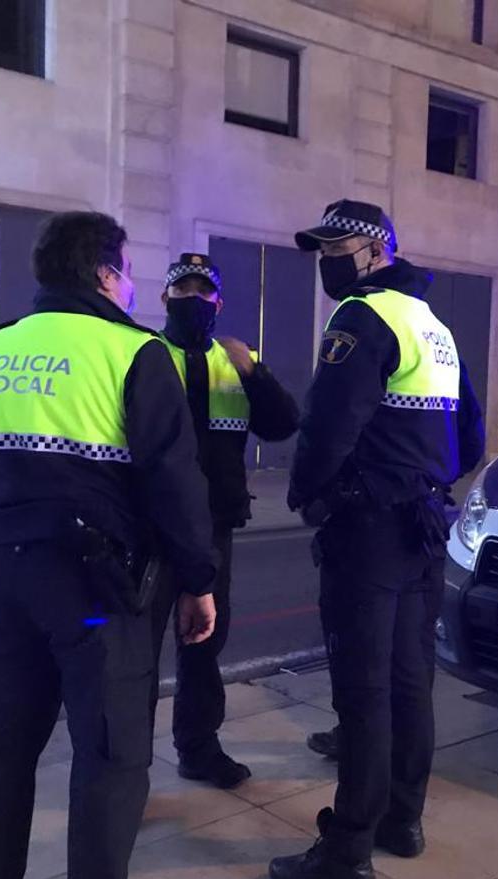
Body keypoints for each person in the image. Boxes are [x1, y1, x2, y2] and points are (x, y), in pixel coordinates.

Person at [0, 212, 218, 879]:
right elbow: (175, 484)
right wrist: (198, 581)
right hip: (99, 590)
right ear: (104, 273)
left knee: (1, 746)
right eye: (126, 271)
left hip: (7, 583)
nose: (130, 285)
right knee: (111, 756)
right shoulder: (133, 353)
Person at [270, 200, 485, 879]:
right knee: (409, 681)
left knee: (363, 692)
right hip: (424, 527)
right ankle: (403, 821)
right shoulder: (435, 326)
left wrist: (307, 494)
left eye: (336, 246)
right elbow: (470, 439)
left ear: (375, 249)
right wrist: (424, 480)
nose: (326, 259)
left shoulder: (362, 317)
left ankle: (347, 855)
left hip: (368, 533)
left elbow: (327, 426)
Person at [152, 252, 299, 789]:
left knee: (204, 643)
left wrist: (253, 372)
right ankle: (125, 767)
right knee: (137, 654)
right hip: (150, 528)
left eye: (204, 291)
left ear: (218, 302)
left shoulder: (235, 360)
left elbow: (284, 424)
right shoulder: (143, 355)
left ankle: (198, 747)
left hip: (212, 527)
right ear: (164, 297)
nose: (193, 299)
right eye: (182, 289)